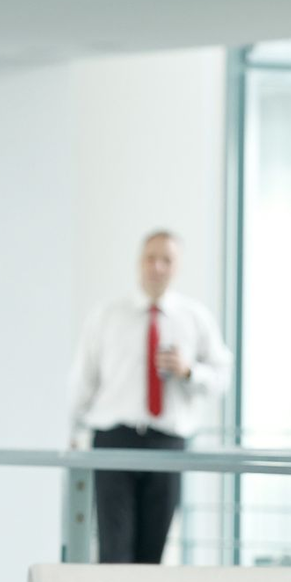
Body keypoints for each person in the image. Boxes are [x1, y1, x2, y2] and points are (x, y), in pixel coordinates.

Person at [69, 230, 231, 564]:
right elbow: (83, 381)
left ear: (178, 267)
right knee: (114, 550)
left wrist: (189, 371)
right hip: (114, 441)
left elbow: (221, 377)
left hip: (168, 444)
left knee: (154, 552)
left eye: (167, 260)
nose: (157, 266)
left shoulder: (195, 318)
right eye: (150, 258)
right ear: (139, 262)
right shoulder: (107, 316)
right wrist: (75, 434)